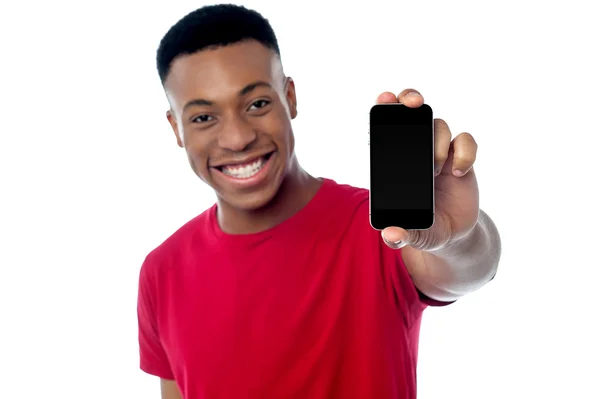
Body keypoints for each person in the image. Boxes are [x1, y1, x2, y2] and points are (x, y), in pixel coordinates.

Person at [137, 4, 502, 399]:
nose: (238, 138)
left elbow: (470, 269)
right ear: (176, 128)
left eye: (257, 104)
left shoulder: (380, 228)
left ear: (289, 98)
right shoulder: (161, 271)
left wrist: (457, 238)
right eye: (203, 118)